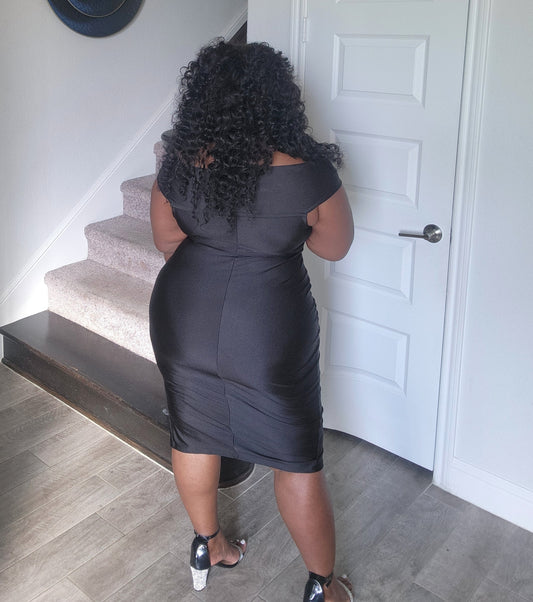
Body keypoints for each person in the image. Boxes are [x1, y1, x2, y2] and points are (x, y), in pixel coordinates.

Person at [149, 39, 354, 602]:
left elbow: (167, 240)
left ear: (202, 99)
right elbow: (333, 247)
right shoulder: (310, 175)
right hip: (268, 329)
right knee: (296, 458)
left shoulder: (178, 164)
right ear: (276, 99)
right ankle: (322, 588)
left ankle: (207, 544)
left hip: (183, 318)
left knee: (193, 432)